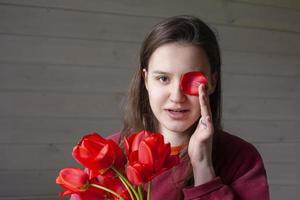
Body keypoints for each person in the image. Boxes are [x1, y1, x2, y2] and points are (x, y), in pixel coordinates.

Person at [72, 15, 270, 199]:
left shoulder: (242, 159)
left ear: (212, 83)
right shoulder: (105, 155)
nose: (177, 97)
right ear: (146, 80)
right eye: (163, 78)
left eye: (192, 81)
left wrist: (203, 167)